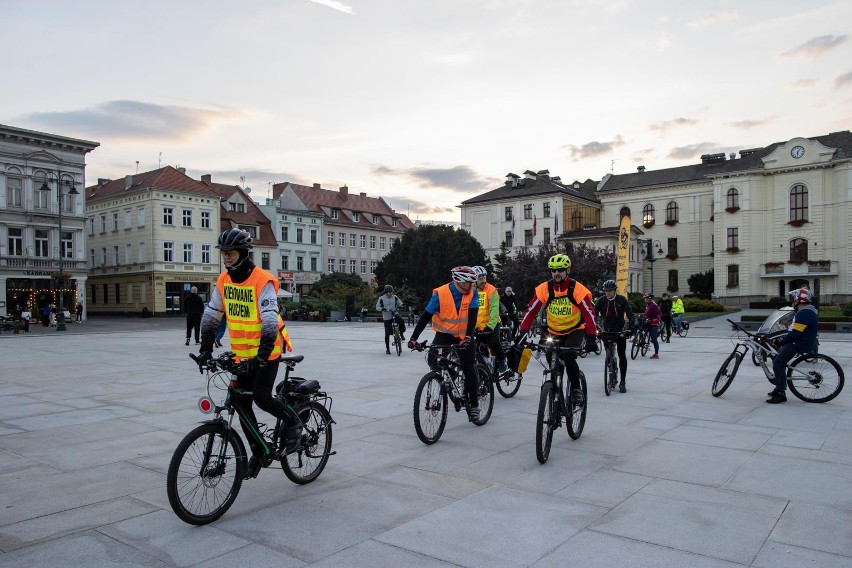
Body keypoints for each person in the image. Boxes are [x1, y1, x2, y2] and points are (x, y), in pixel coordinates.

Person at [197, 228, 301, 479]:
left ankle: (293, 422)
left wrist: (262, 356)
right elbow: (212, 315)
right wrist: (205, 349)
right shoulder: (223, 280)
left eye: (230, 253)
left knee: (262, 398)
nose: (226, 258)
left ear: (242, 253)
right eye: (223, 253)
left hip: (268, 350)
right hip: (242, 354)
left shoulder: (261, 280)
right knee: (240, 403)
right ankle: (258, 451)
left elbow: (268, 321)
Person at [516, 254, 598, 405]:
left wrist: (591, 335)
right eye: (553, 270)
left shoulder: (577, 289)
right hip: (553, 331)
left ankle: (575, 389)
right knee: (551, 359)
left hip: (575, 330)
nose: (557, 273)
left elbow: (589, 313)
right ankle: (555, 390)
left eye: (560, 269)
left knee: (568, 356)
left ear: (568, 270)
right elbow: (531, 311)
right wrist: (522, 331)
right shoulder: (544, 289)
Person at [408, 266, 481, 420]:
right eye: (469, 284)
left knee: (469, 369)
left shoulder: (472, 294)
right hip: (444, 334)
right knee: (432, 359)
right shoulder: (440, 294)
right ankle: (451, 375)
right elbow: (425, 316)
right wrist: (413, 338)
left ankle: (474, 405)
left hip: (464, 336)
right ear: (460, 282)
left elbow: (473, 318)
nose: (471, 287)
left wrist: (468, 337)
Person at [767, 288, 819, 404]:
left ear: (798, 300)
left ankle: (780, 393)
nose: (792, 302)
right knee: (778, 359)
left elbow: (795, 333)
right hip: (800, 342)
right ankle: (779, 387)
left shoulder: (805, 313)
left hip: (799, 344)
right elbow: (795, 331)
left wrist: (781, 342)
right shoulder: (807, 312)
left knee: (778, 364)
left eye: (793, 300)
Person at [594, 280, 635, 392]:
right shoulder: (601, 301)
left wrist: (631, 328)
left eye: (610, 291)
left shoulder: (621, 300)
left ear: (614, 290)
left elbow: (630, 314)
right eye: (606, 291)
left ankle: (622, 382)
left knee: (622, 355)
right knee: (608, 354)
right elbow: (593, 314)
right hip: (606, 331)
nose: (607, 293)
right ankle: (611, 368)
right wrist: (595, 327)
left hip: (619, 331)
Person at [471, 266, 508, 373]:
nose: (483, 280)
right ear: (474, 279)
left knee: (493, 342)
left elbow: (494, 309)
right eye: (480, 278)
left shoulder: (491, 290)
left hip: (492, 323)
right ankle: (485, 365)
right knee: (477, 346)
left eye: (484, 277)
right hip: (477, 325)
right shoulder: (470, 291)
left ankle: (502, 359)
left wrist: (490, 326)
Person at [376, 285, 406, 354]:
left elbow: (399, 303)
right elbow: (377, 307)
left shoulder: (395, 297)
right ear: (386, 292)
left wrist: (401, 305)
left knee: (401, 321)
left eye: (391, 292)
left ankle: (401, 334)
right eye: (389, 292)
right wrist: (382, 308)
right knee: (387, 333)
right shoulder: (381, 298)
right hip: (386, 315)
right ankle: (387, 349)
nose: (390, 293)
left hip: (394, 313)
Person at [642, 293, 662, 359]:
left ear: (649, 299)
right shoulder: (648, 305)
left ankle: (656, 354)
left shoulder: (654, 305)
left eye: (645, 298)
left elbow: (659, 314)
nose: (644, 299)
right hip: (648, 321)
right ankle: (637, 338)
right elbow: (646, 313)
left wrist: (656, 319)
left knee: (654, 338)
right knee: (638, 326)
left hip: (653, 323)